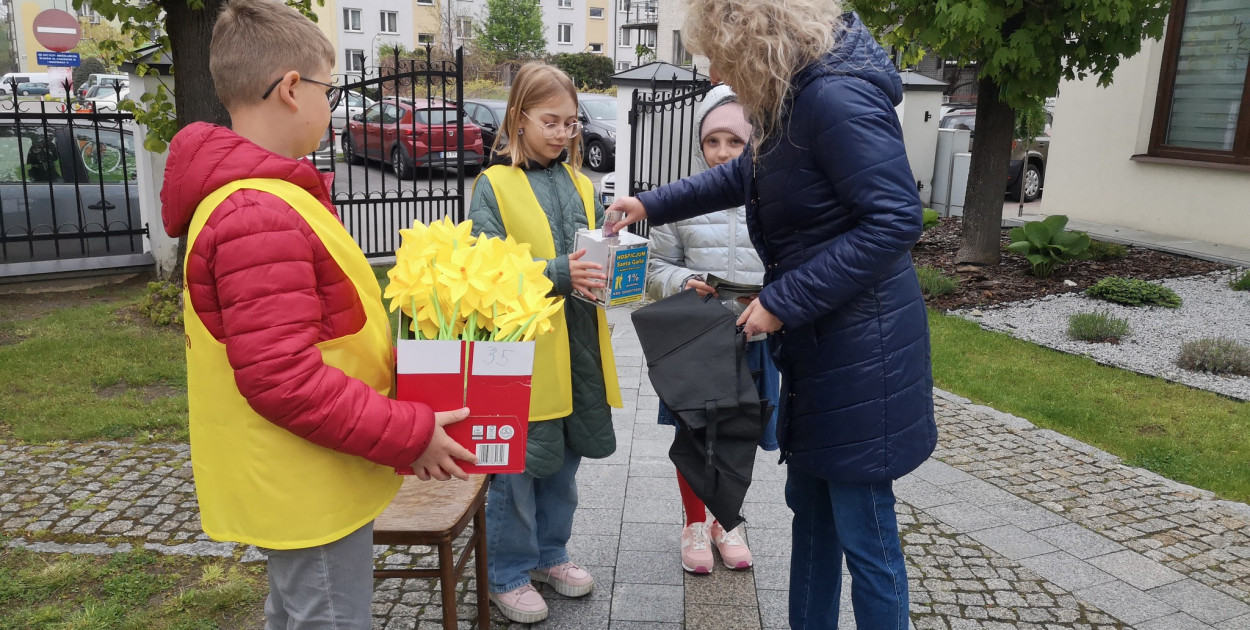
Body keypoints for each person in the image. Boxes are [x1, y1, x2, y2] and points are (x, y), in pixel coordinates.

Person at [608, 1, 937, 628]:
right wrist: (647, 204)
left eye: (723, 60)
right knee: (810, 516)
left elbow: (895, 218)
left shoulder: (834, 99)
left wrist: (781, 302)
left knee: (865, 535)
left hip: (864, 354)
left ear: (754, 39)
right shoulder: (794, 98)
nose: (717, 77)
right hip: (821, 348)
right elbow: (743, 178)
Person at [159, 1, 476, 628]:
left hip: (314, 467)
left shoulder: (266, 196)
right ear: (291, 89)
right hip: (305, 480)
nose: (334, 109)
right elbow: (284, 379)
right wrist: (409, 431)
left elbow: (325, 329)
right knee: (327, 615)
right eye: (330, 91)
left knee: (300, 611)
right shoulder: (257, 214)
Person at [467, 62, 623, 624]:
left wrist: (620, 264)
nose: (562, 133)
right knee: (516, 470)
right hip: (521, 357)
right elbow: (483, 274)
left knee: (564, 465)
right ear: (519, 118)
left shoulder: (583, 184)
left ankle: (550, 555)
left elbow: (593, 257)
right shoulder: (494, 185)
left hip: (576, 348)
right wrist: (559, 271)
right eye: (550, 121)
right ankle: (506, 572)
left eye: (571, 124)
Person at [644, 84, 779, 575]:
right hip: (695, 343)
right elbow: (653, 270)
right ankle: (695, 522)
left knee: (741, 433)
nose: (721, 152)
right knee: (695, 436)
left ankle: (728, 521)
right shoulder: (679, 201)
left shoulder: (773, 195)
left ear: (754, 144)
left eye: (735, 142)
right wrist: (686, 280)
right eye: (712, 141)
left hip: (754, 336)